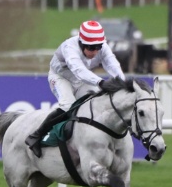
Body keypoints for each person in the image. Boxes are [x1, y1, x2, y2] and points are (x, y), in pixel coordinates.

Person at [24, 20, 126, 158]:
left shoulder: (103, 47)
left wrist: (122, 82)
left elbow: (112, 64)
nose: (95, 52)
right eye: (91, 48)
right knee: (68, 106)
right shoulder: (69, 48)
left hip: (81, 80)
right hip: (60, 77)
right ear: (81, 43)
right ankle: (35, 136)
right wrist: (101, 83)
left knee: (96, 104)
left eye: (98, 47)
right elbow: (79, 71)